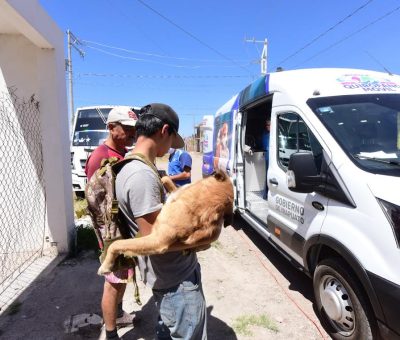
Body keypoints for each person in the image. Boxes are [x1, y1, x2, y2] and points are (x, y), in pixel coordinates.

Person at [115, 103, 207, 340]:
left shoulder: (135, 165)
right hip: (175, 279)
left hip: (168, 277)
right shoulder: (141, 175)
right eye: (171, 141)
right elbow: (155, 241)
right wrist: (197, 242)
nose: (170, 149)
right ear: (164, 130)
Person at [84, 106, 138, 338]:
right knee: (113, 281)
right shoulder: (100, 158)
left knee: (124, 276)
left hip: (122, 229)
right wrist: (107, 239)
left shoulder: (121, 154)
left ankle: (118, 313)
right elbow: (95, 201)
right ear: (110, 127)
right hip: (112, 232)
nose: (131, 133)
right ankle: (111, 332)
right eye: (125, 128)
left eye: (133, 129)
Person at [261, 118, 271, 199]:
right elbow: (263, 145)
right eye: (267, 125)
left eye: (269, 125)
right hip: (268, 158)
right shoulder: (265, 135)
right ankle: (265, 195)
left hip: (273, 158)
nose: (268, 126)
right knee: (268, 176)